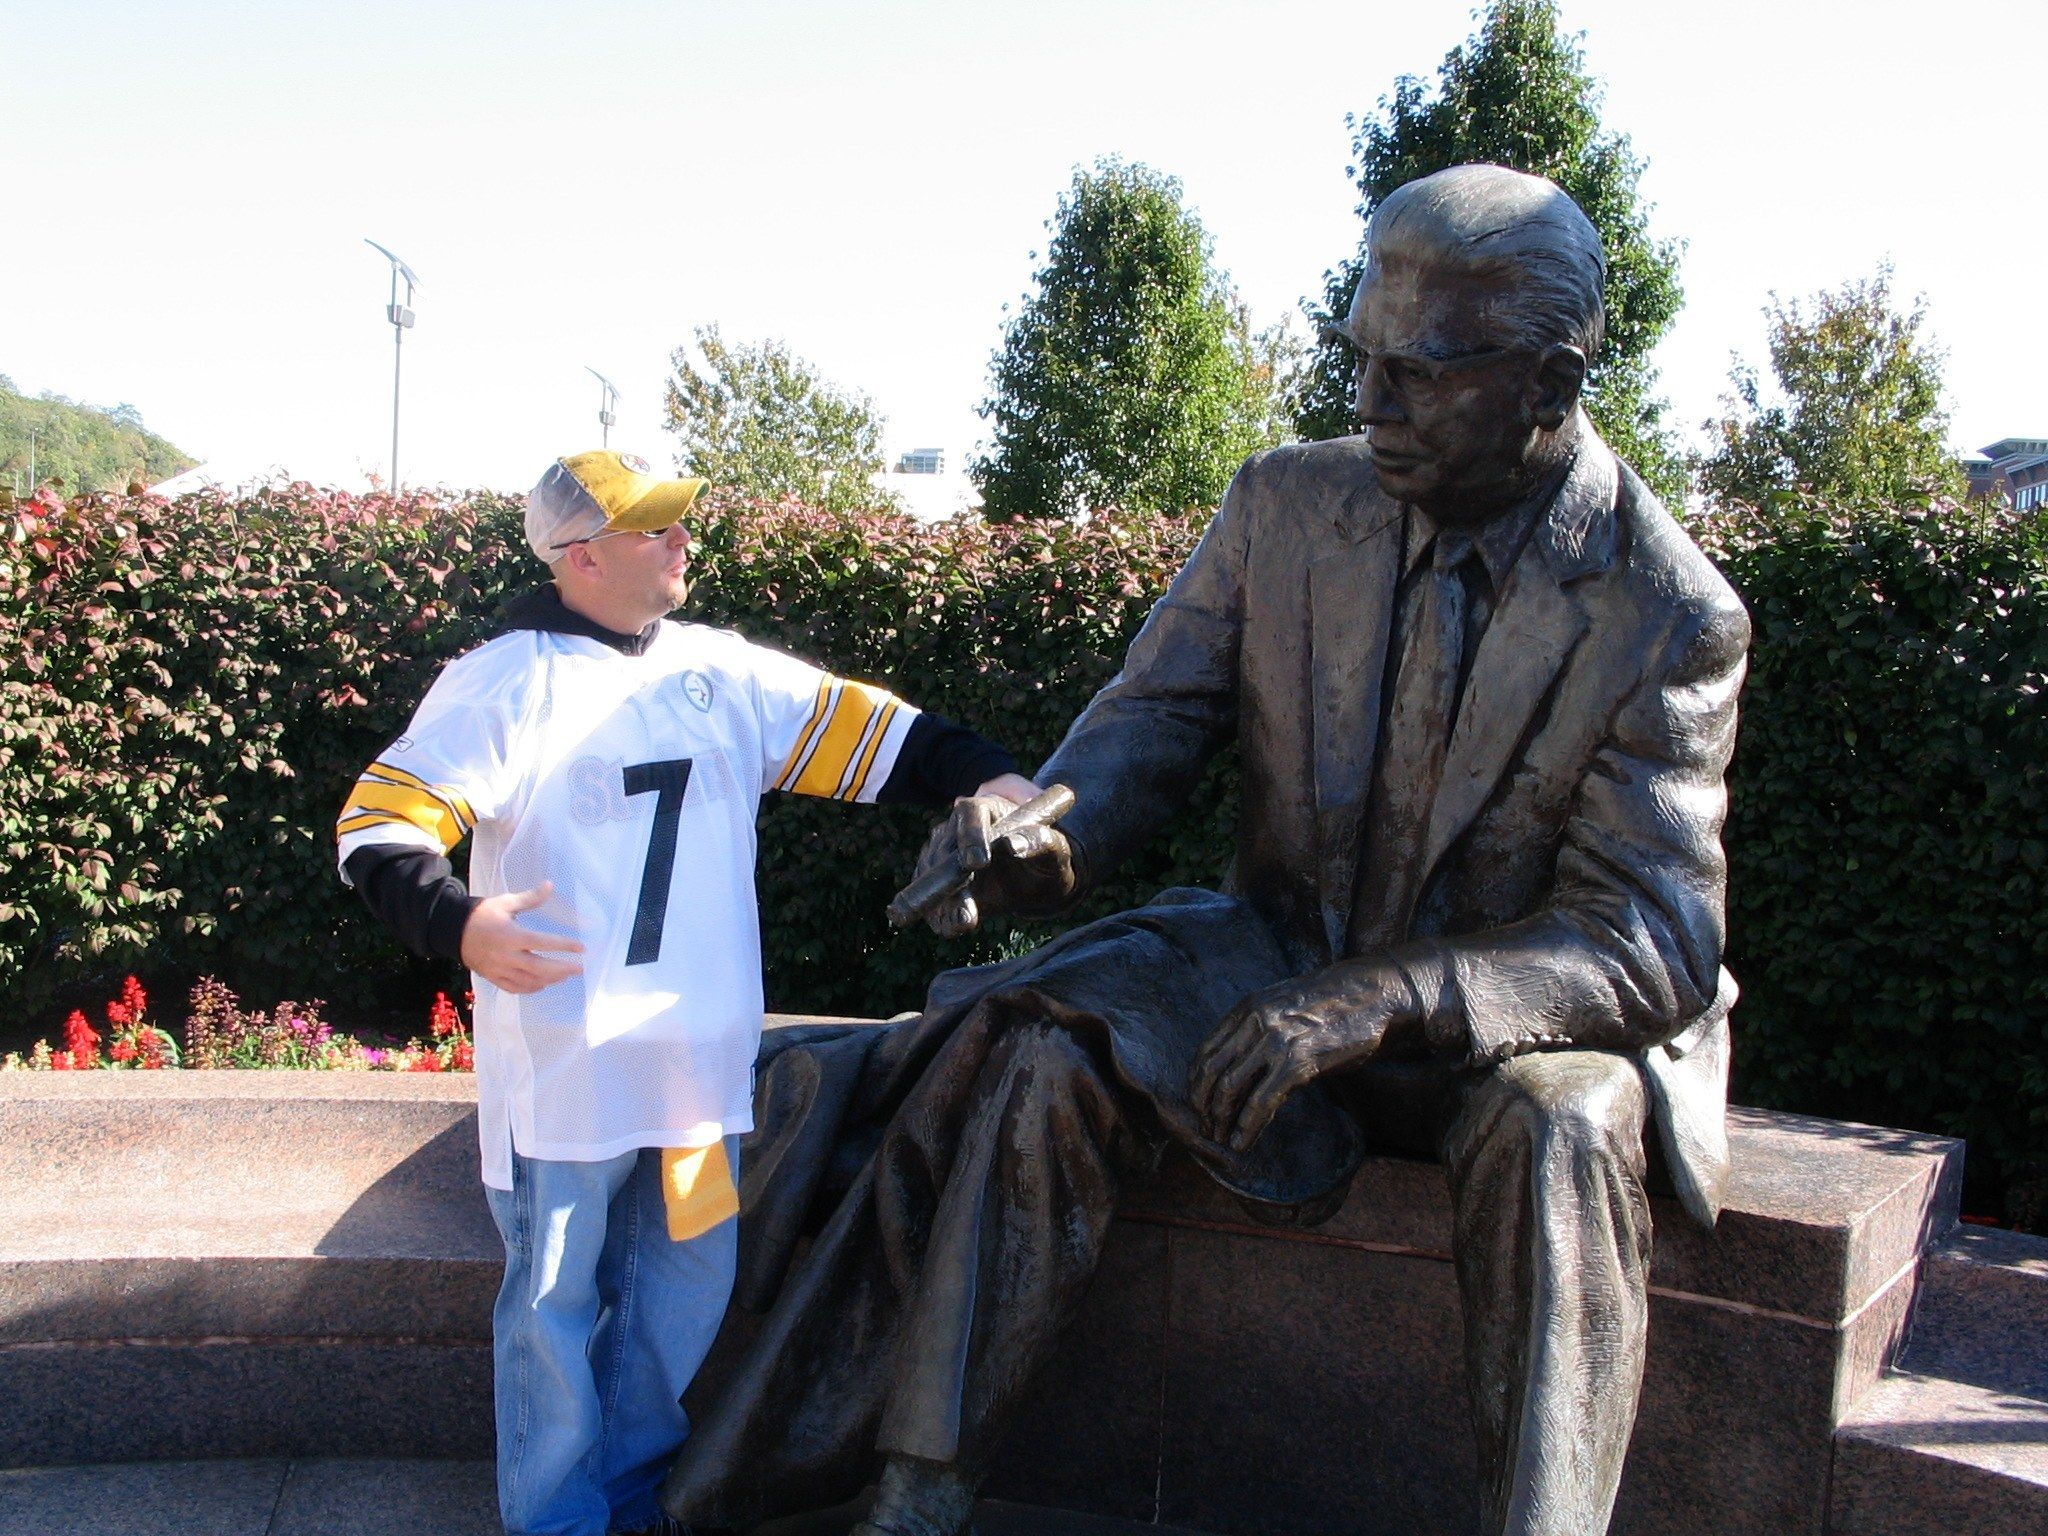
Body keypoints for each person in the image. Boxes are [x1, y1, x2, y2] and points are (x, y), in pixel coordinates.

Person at [661, 165, 1749, 1536]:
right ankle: (914, 1493)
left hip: (1508, 1026)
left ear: (1548, 380)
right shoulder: (1284, 504)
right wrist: (1037, 840)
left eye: (1417, 372)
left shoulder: (1667, 612)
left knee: (1564, 1128)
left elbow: (1649, 938)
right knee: (1049, 1053)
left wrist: (1385, 997)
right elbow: (1147, 727)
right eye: (1358, 355)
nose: (1370, 401)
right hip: (1280, 966)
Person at [334, 448, 1036, 1536]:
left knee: (683, 1291)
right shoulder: (506, 680)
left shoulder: (722, 670)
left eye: (677, 520)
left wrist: (996, 780)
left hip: (697, 1083)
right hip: (566, 1082)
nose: (680, 540)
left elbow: (886, 736)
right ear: (580, 556)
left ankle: (632, 1503)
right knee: (552, 1305)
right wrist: (459, 922)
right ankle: (557, 1523)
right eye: (651, 526)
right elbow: (379, 824)